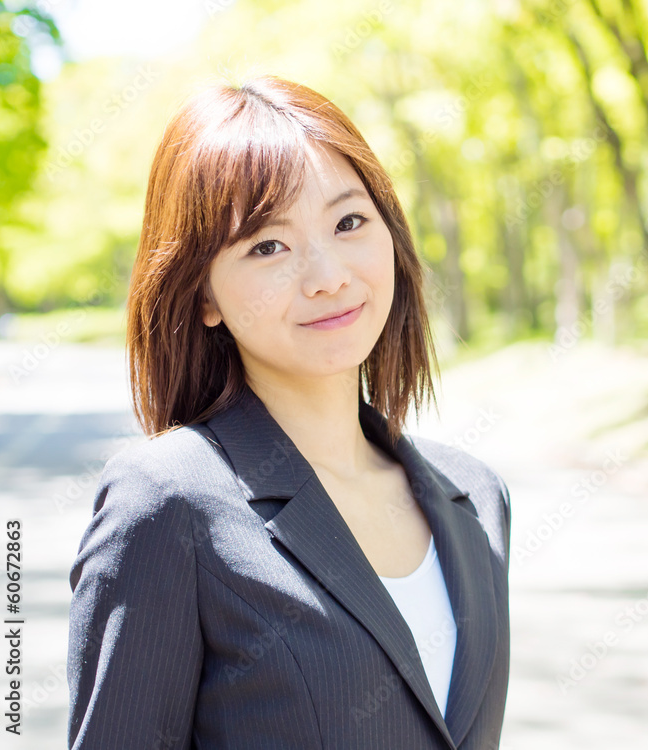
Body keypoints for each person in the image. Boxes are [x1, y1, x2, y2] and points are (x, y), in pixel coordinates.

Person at [66, 75, 511, 750]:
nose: (327, 274)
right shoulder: (168, 504)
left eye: (349, 222)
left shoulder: (475, 497)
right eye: (267, 246)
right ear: (204, 296)